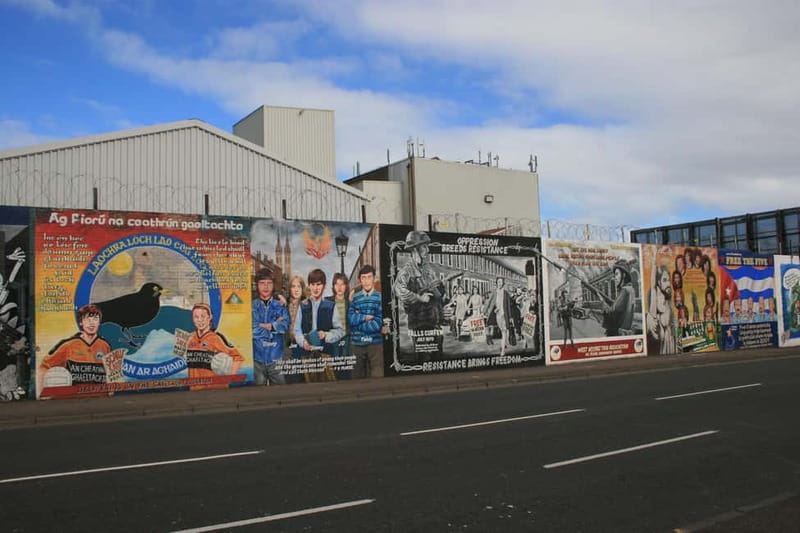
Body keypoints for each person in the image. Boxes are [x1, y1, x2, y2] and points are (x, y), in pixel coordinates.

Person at [393, 231, 445, 359]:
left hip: (434, 322)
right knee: (424, 359)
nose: (427, 250)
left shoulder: (428, 270)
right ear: (415, 250)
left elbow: (438, 295)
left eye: (427, 246)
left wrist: (440, 291)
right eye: (424, 247)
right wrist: (419, 297)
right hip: (419, 324)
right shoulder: (407, 271)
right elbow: (398, 289)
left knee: (438, 358)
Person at [38, 304, 111, 391]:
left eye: (95, 319)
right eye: (87, 319)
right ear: (81, 322)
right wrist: (43, 391)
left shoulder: (105, 345)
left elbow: (111, 372)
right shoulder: (68, 345)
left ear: (99, 322)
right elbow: (44, 366)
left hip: (100, 396)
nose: (91, 323)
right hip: (74, 396)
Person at [293, 269, 345, 381]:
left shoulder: (331, 306)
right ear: (309, 286)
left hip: (326, 354)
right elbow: (297, 330)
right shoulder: (302, 306)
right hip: (306, 356)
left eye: (318, 284)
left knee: (329, 384)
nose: (315, 288)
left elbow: (340, 330)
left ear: (324, 286)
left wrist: (326, 335)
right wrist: (303, 342)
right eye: (313, 284)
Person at [186, 303, 244, 388]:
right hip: (195, 389)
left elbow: (238, 358)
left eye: (203, 316)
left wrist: (229, 377)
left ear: (210, 317)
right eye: (196, 317)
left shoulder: (216, 338)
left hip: (215, 390)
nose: (200, 320)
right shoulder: (191, 338)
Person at [252, 269, 290, 386]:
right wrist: (274, 327)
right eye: (262, 283)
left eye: (269, 283)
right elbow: (252, 329)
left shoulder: (280, 305)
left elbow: (285, 325)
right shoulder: (252, 306)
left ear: (273, 285)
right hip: (257, 359)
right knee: (258, 392)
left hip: (276, 358)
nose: (266, 286)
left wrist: (264, 325)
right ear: (257, 285)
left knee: (281, 392)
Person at [348, 265, 383, 378]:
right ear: (360, 280)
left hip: (375, 343)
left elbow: (378, 323)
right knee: (357, 377)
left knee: (377, 376)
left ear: (374, 278)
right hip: (357, 344)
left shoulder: (380, 298)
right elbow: (351, 319)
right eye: (363, 277)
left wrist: (358, 322)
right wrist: (366, 317)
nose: (367, 281)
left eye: (369, 277)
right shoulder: (355, 298)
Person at [647, 264, 677, 355]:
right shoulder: (654, 315)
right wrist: (653, 262)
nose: (668, 283)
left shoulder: (668, 302)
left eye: (668, 280)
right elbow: (653, 287)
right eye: (664, 280)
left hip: (671, 344)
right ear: (658, 282)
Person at [326, 272, 351, 378]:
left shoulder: (349, 301)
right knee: (335, 360)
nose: (339, 287)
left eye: (342, 284)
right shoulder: (328, 301)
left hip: (347, 336)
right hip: (334, 335)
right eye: (337, 284)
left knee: (346, 361)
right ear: (333, 286)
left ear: (346, 286)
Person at [602, 260, 635, 336]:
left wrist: (604, 305)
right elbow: (619, 307)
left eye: (617, 274)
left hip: (617, 333)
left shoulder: (624, 290)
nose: (615, 278)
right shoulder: (630, 289)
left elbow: (612, 312)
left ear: (624, 275)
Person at [483, 277, 513, 356]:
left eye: (501, 282)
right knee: (500, 329)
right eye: (498, 282)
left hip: (504, 314)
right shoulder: (494, 292)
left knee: (504, 331)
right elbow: (488, 302)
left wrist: (510, 317)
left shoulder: (506, 293)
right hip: (496, 314)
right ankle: (504, 343)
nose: (499, 283)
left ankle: (502, 350)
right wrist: (484, 312)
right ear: (496, 283)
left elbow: (508, 306)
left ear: (503, 283)